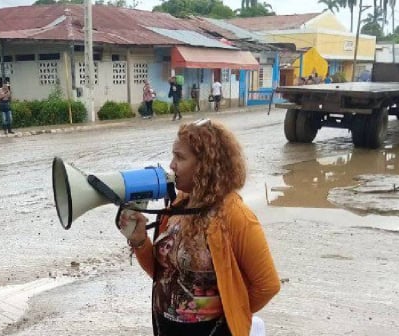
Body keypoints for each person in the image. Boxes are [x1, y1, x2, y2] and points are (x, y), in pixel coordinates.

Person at [118, 118, 281, 336]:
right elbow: (164, 274)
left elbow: (267, 285)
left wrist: (231, 314)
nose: (172, 165)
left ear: (206, 165)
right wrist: (139, 241)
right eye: (173, 155)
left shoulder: (236, 216)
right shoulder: (179, 204)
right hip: (166, 327)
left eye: (180, 157)